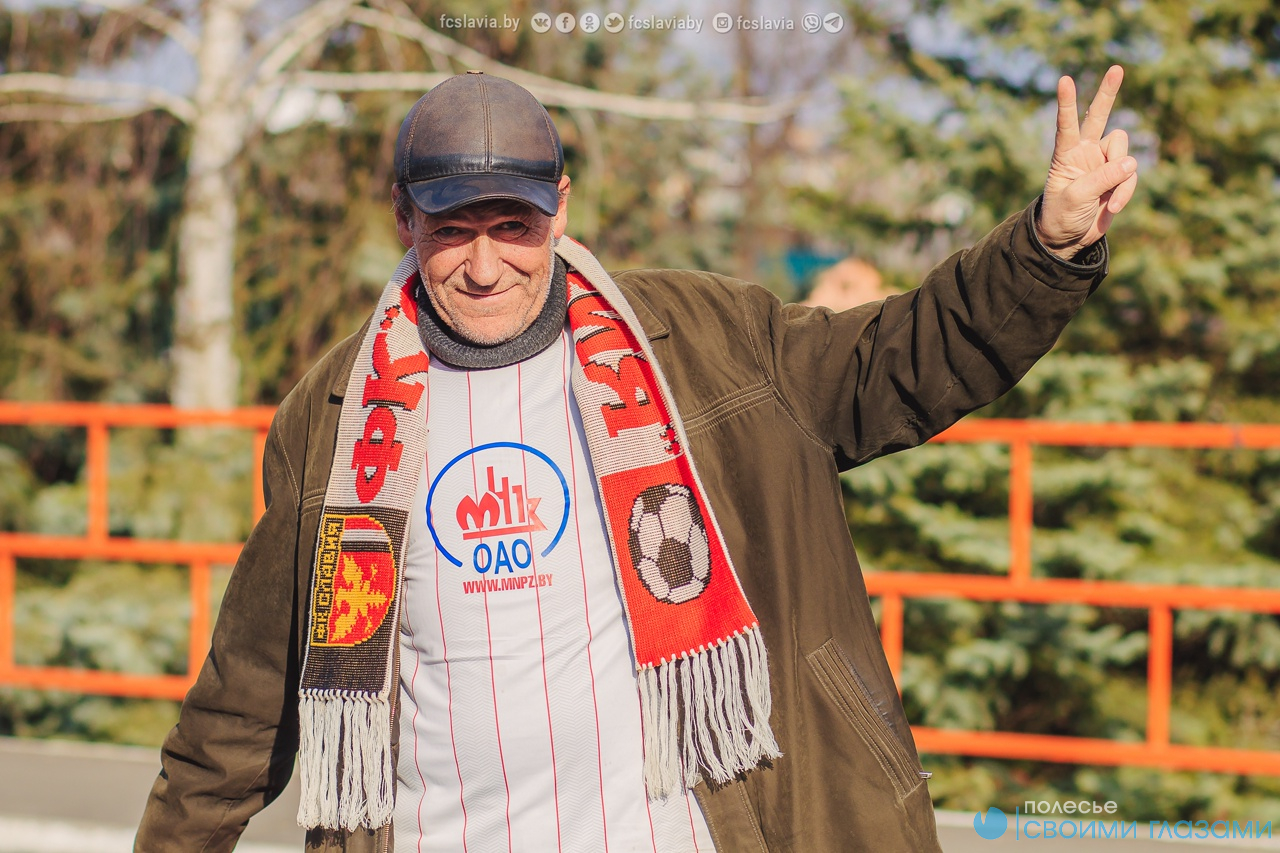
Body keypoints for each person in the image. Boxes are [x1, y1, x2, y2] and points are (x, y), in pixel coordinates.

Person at [137, 67, 1138, 852]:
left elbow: (906, 358)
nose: (484, 266)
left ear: (560, 207)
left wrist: (1045, 247)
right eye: (451, 230)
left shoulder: (710, 342)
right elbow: (242, 703)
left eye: (513, 226)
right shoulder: (334, 417)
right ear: (405, 219)